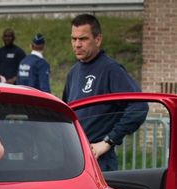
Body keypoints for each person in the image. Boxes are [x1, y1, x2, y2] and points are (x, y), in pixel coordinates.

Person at [62, 14, 147, 171]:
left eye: (83, 39)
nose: (77, 44)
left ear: (98, 39)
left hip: (99, 161)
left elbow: (139, 107)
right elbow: (68, 114)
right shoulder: (73, 72)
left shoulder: (111, 70)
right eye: (73, 39)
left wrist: (108, 141)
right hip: (74, 158)